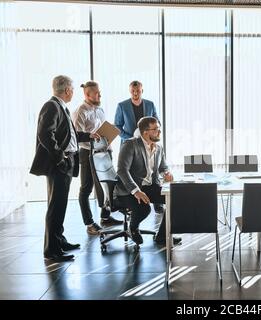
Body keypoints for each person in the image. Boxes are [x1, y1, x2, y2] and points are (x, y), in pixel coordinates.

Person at [30, 75, 100, 262]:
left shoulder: (61, 107)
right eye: (73, 90)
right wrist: (60, 157)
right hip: (59, 164)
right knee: (55, 207)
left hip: (66, 162)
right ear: (68, 90)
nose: (73, 93)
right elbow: (45, 134)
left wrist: (87, 136)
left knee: (60, 205)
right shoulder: (52, 106)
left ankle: (59, 241)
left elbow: (69, 134)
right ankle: (51, 250)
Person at [113, 116, 181, 245]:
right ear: (145, 132)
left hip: (149, 186)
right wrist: (136, 191)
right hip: (128, 190)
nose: (159, 132)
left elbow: (163, 167)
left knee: (174, 199)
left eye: (159, 129)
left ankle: (162, 236)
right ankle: (132, 228)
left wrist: (166, 173)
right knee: (144, 209)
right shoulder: (130, 144)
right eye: (156, 129)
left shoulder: (159, 147)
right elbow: (122, 170)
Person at [73, 81, 123, 235]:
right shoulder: (80, 111)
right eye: (96, 93)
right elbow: (76, 137)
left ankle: (105, 217)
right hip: (87, 153)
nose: (100, 95)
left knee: (108, 184)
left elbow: (101, 130)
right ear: (87, 95)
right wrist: (92, 137)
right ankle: (89, 223)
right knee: (86, 188)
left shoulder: (100, 109)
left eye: (99, 92)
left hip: (104, 151)